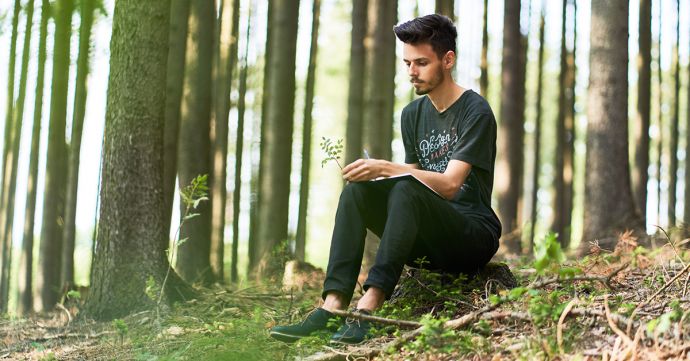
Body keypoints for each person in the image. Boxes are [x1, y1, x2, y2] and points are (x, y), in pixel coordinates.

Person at [270, 14, 501, 345]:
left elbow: (449, 185)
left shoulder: (475, 111)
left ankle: (370, 307)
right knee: (357, 194)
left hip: (472, 234)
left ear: (447, 60)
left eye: (421, 63)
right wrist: (375, 179)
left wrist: (386, 168)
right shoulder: (412, 115)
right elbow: (412, 190)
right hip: (431, 234)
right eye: (407, 63)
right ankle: (332, 307)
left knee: (405, 185)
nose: (411, 72)